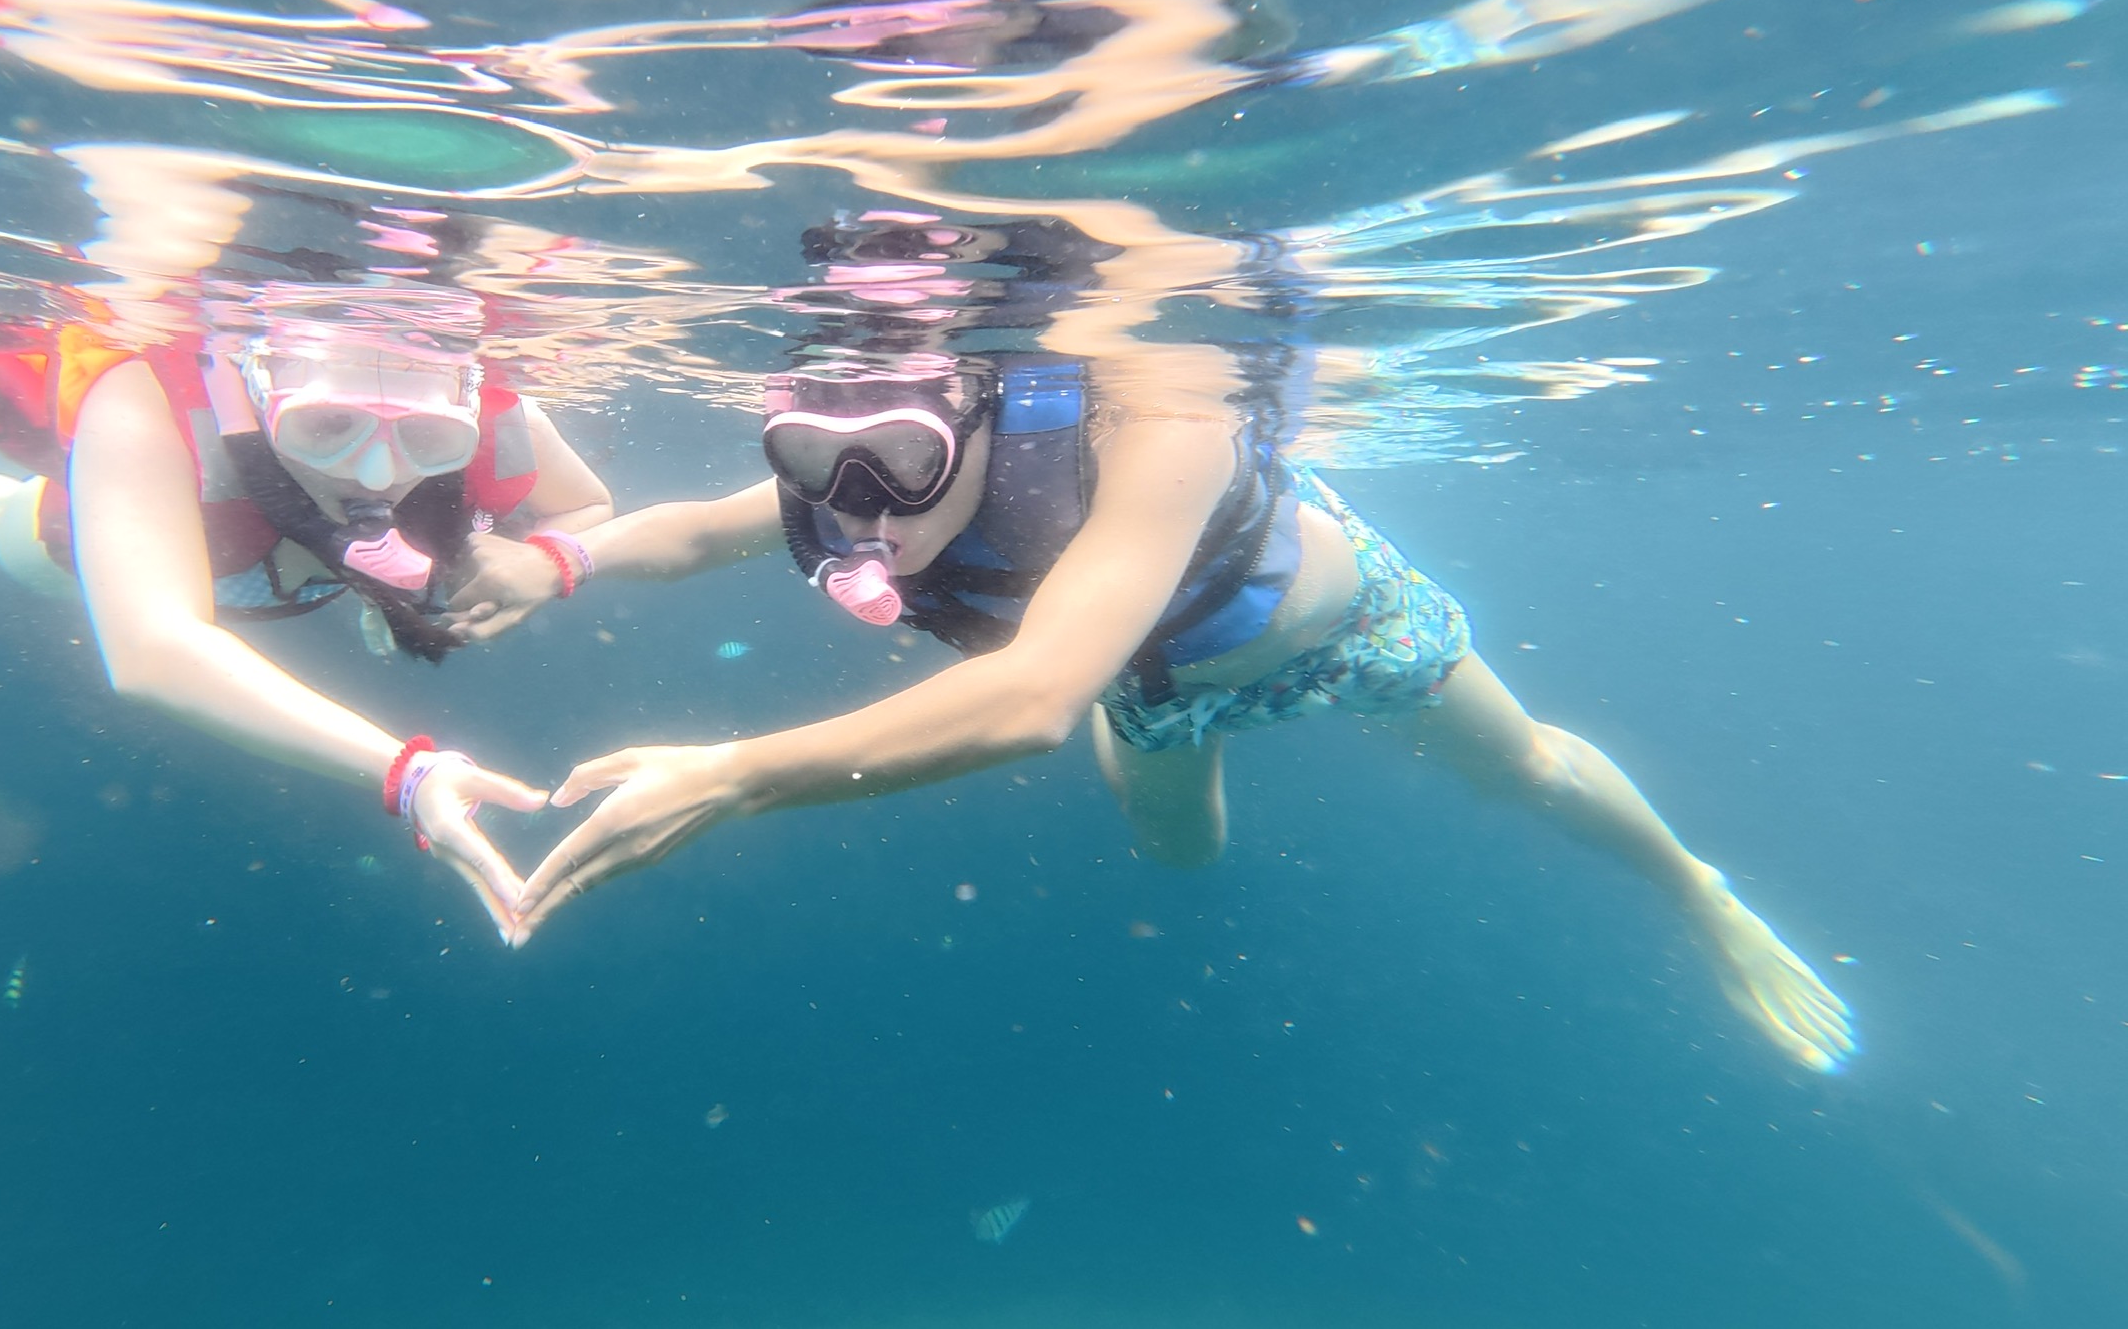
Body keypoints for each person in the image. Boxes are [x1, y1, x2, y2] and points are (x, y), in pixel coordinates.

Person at [442, 308, 1856, 1074]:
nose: (854, 502)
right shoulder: (836, 473)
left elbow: (1030, 701)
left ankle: (1696, 890)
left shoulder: (1154, 422)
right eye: (812, 462)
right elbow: (697, 530)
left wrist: (733, 774)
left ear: (977, 417)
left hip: (1333, 630)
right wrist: (554, 559)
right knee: (1181, 855)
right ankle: (1188, 783)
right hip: (1154, 687)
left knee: (1523, 769)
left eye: (900, 461)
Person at [0, 310, 612, 938]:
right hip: (116, 548)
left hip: (309, 581)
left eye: (427, 437)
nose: (375, 477)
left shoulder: (500, 423)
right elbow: (150, 648)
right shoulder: (144, 398)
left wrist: (529, 563)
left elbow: (587, 506)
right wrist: (411, 775)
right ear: (255, 391)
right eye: (325, 426)